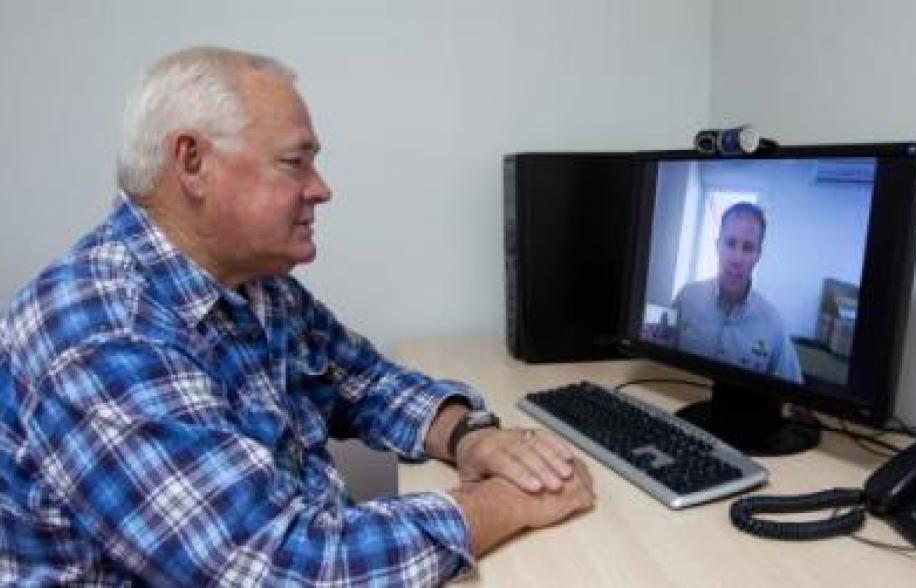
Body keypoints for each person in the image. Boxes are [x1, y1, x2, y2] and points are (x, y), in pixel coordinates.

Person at [0, 46, 594, 586]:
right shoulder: (102, 331)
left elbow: (363, 382)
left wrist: (468, 436)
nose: (321, 189)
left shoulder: (256, 284)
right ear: (192, 162)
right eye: (294, 162)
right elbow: (277, 567)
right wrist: (502, 504)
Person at [671, 202, 803, 383]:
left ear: (758, 255)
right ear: (718, 246)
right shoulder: (686, 298)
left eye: (748, 248)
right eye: (730, 243)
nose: (736, 258)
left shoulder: (773, 323)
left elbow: (793, 387)